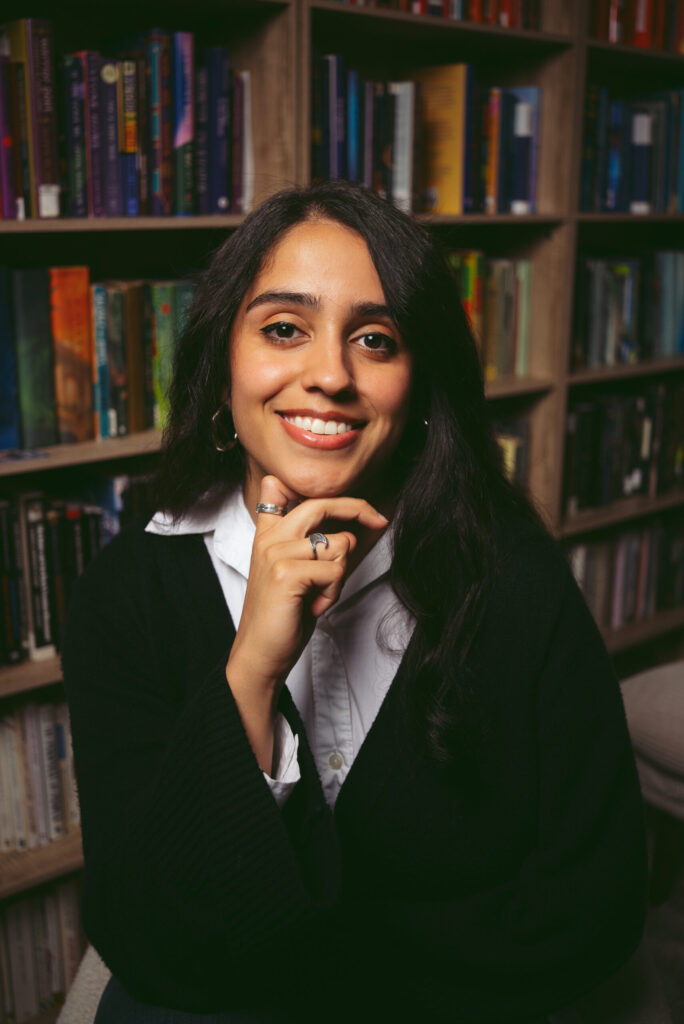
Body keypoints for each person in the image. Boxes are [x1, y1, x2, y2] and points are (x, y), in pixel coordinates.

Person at [63, 179, 647, 1024]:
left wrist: (318, 968)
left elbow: (595, 908)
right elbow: (147, 936)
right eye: (284, 329)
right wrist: (252, 672)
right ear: (223, 364)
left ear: (417, 386)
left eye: (375, 339)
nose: (329, 374)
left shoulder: (515, 576)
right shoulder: (127, 594)